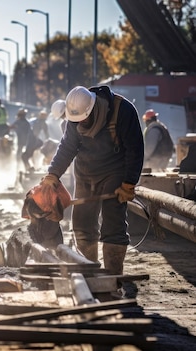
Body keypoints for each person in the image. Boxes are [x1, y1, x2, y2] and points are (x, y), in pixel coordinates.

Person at [36, 85, 144, 276]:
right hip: (85, 173)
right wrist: (53, 174)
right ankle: (88, 271)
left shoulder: (122, 111)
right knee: (82, 223)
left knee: (113, 222)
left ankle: (113, 275)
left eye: (83, 119)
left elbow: (135, 149)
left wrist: (129, 182)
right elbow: (67, 147)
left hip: (115, 172)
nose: (80, 124)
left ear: (93, 108)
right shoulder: (74, 118)